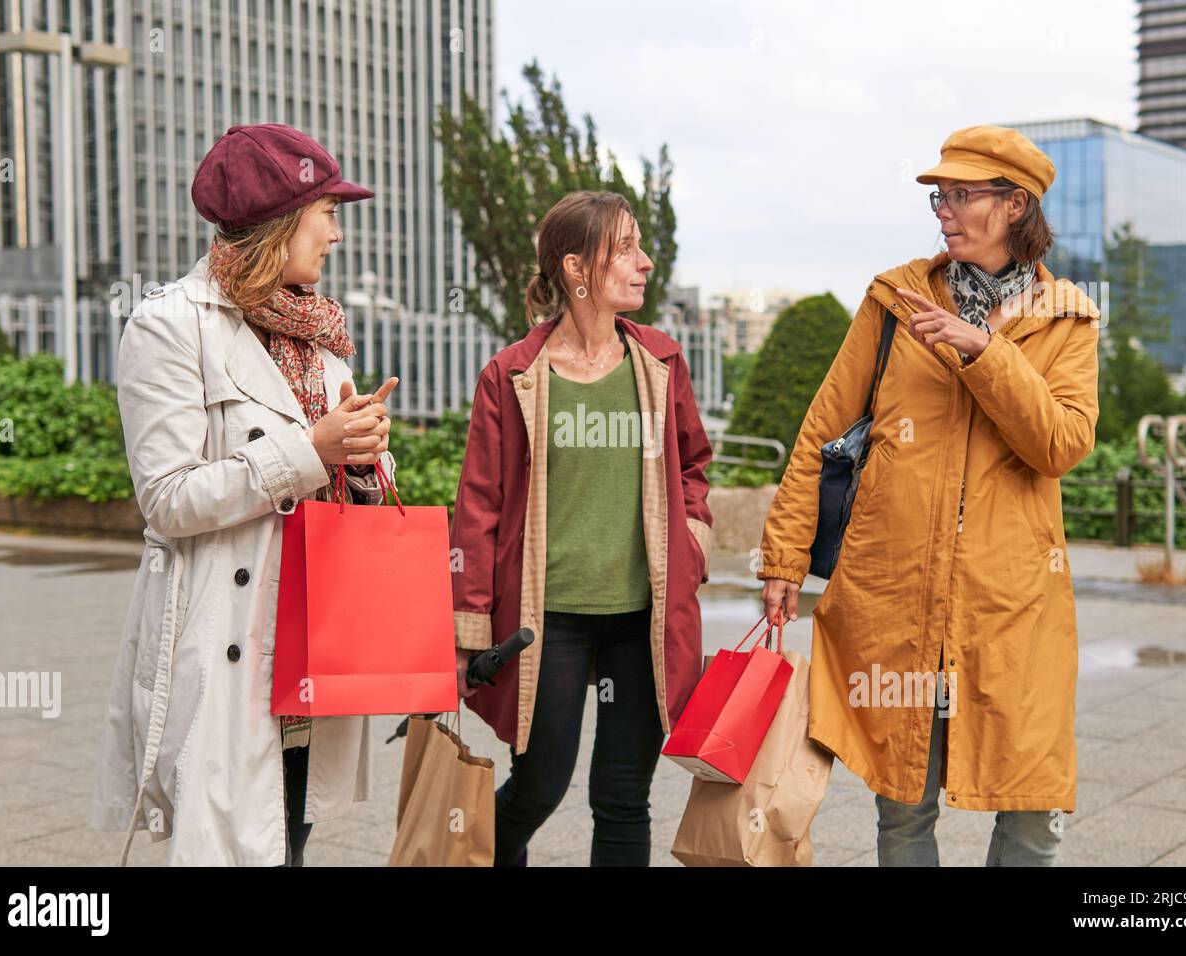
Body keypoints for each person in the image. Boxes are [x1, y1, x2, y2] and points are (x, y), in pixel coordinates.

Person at [758, 125, 1100, 866]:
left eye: (961, 195)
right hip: (898, 596)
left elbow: (1061, 443)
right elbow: (823, 426)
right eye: (939, 195)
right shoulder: (894, 299)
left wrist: (985, 353)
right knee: (904, 810)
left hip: (1013, 608)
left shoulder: (1068, 317)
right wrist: (783, 556)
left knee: (1034, 815)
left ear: (1015, 205)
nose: (943, 209)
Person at [90, 123, 399, 866]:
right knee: (234, 843)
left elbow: (335, 480)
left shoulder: (318, 337)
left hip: (316, 633)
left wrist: (360, 460)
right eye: (327, 212)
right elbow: (165, 498)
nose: (337, 233)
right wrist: (309, 449)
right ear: (282, 220)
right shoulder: (169, 325)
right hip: (231, 636)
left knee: (290, 832)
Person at [449, 190, 714, 866]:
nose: (645, 262)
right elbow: (478, 506)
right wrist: (468, 628)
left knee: (623, 797)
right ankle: (478, 852)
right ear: (576, 268)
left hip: (643, 619)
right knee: (537, 786)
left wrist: (694, 534)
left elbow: (694, 466)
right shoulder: (511, 375)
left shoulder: (661, 362)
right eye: (625, 248)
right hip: (547, 623)